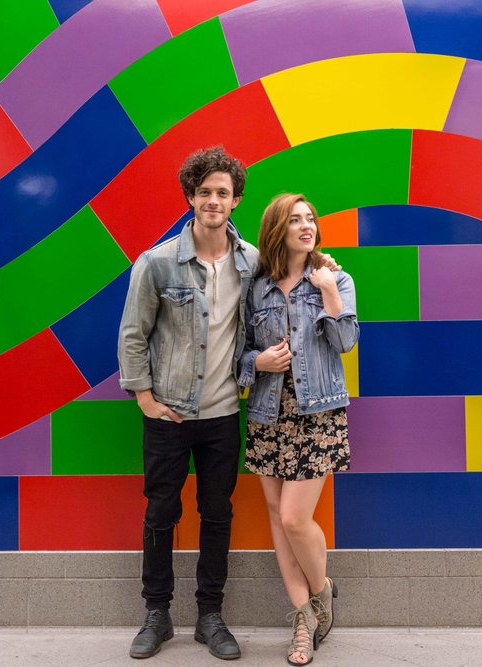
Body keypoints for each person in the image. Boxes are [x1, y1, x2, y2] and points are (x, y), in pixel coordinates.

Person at [118, 146, 255, 661]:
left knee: (216, 513)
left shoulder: (252, 264)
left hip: (223, 415)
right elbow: (133, 336)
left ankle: (210, 616)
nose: (213, 200)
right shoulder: (156, 264)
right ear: (191, 198)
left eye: (222, 192)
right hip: (169, 414)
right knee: (161, 512)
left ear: (236, 199)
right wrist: (147, 401)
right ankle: (157, 614)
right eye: (204, 192)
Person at [236, 194, 358, 666]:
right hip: (268, 414)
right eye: (295, 220)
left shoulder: (337, 278)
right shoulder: (257, 289)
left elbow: (346, 341)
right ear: (277, 230)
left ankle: (323, 590)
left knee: (293, 519)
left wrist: (327, 291)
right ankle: (303, 621)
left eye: (310, 219)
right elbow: (238, 353)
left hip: (318, 414)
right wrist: (257, 362)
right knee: (275, 517)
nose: (306, 226)